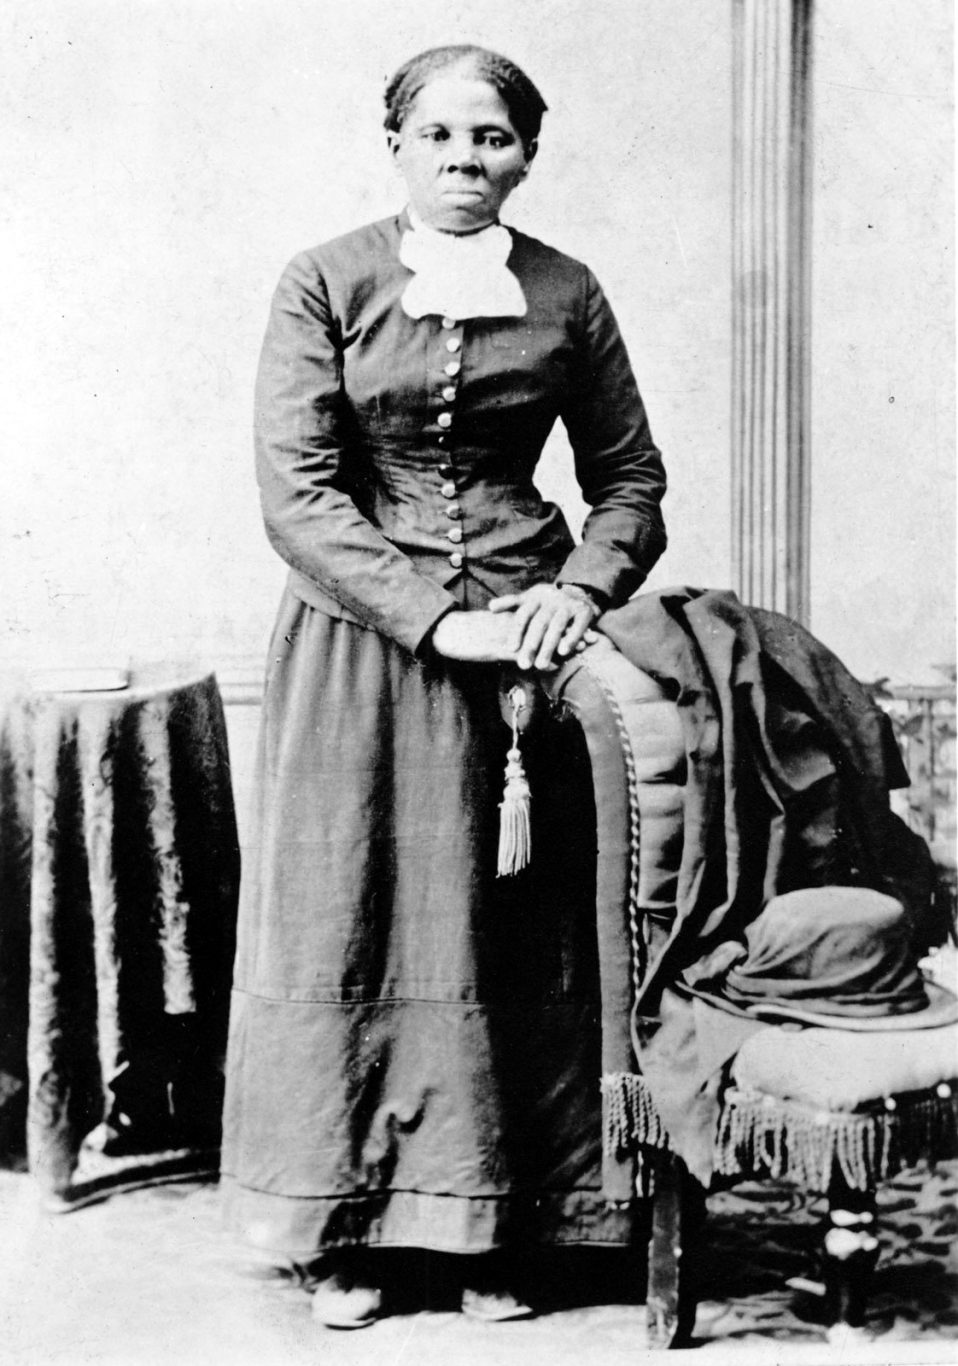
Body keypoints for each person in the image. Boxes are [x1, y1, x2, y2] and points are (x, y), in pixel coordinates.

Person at [221, 43, 667, 1329]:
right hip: (362, 646)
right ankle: (349, 1231)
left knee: (510, 931)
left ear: (528, 152)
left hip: (529, 658)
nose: (468, 162)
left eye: (495, 140)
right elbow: (299, 498)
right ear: (398, 147)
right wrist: (434, 622)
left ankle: (498, 1228)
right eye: (441, 138)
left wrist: (573, 593)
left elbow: (630, 481)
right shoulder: (326, 280)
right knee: (358, 917)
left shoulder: (568, 291)